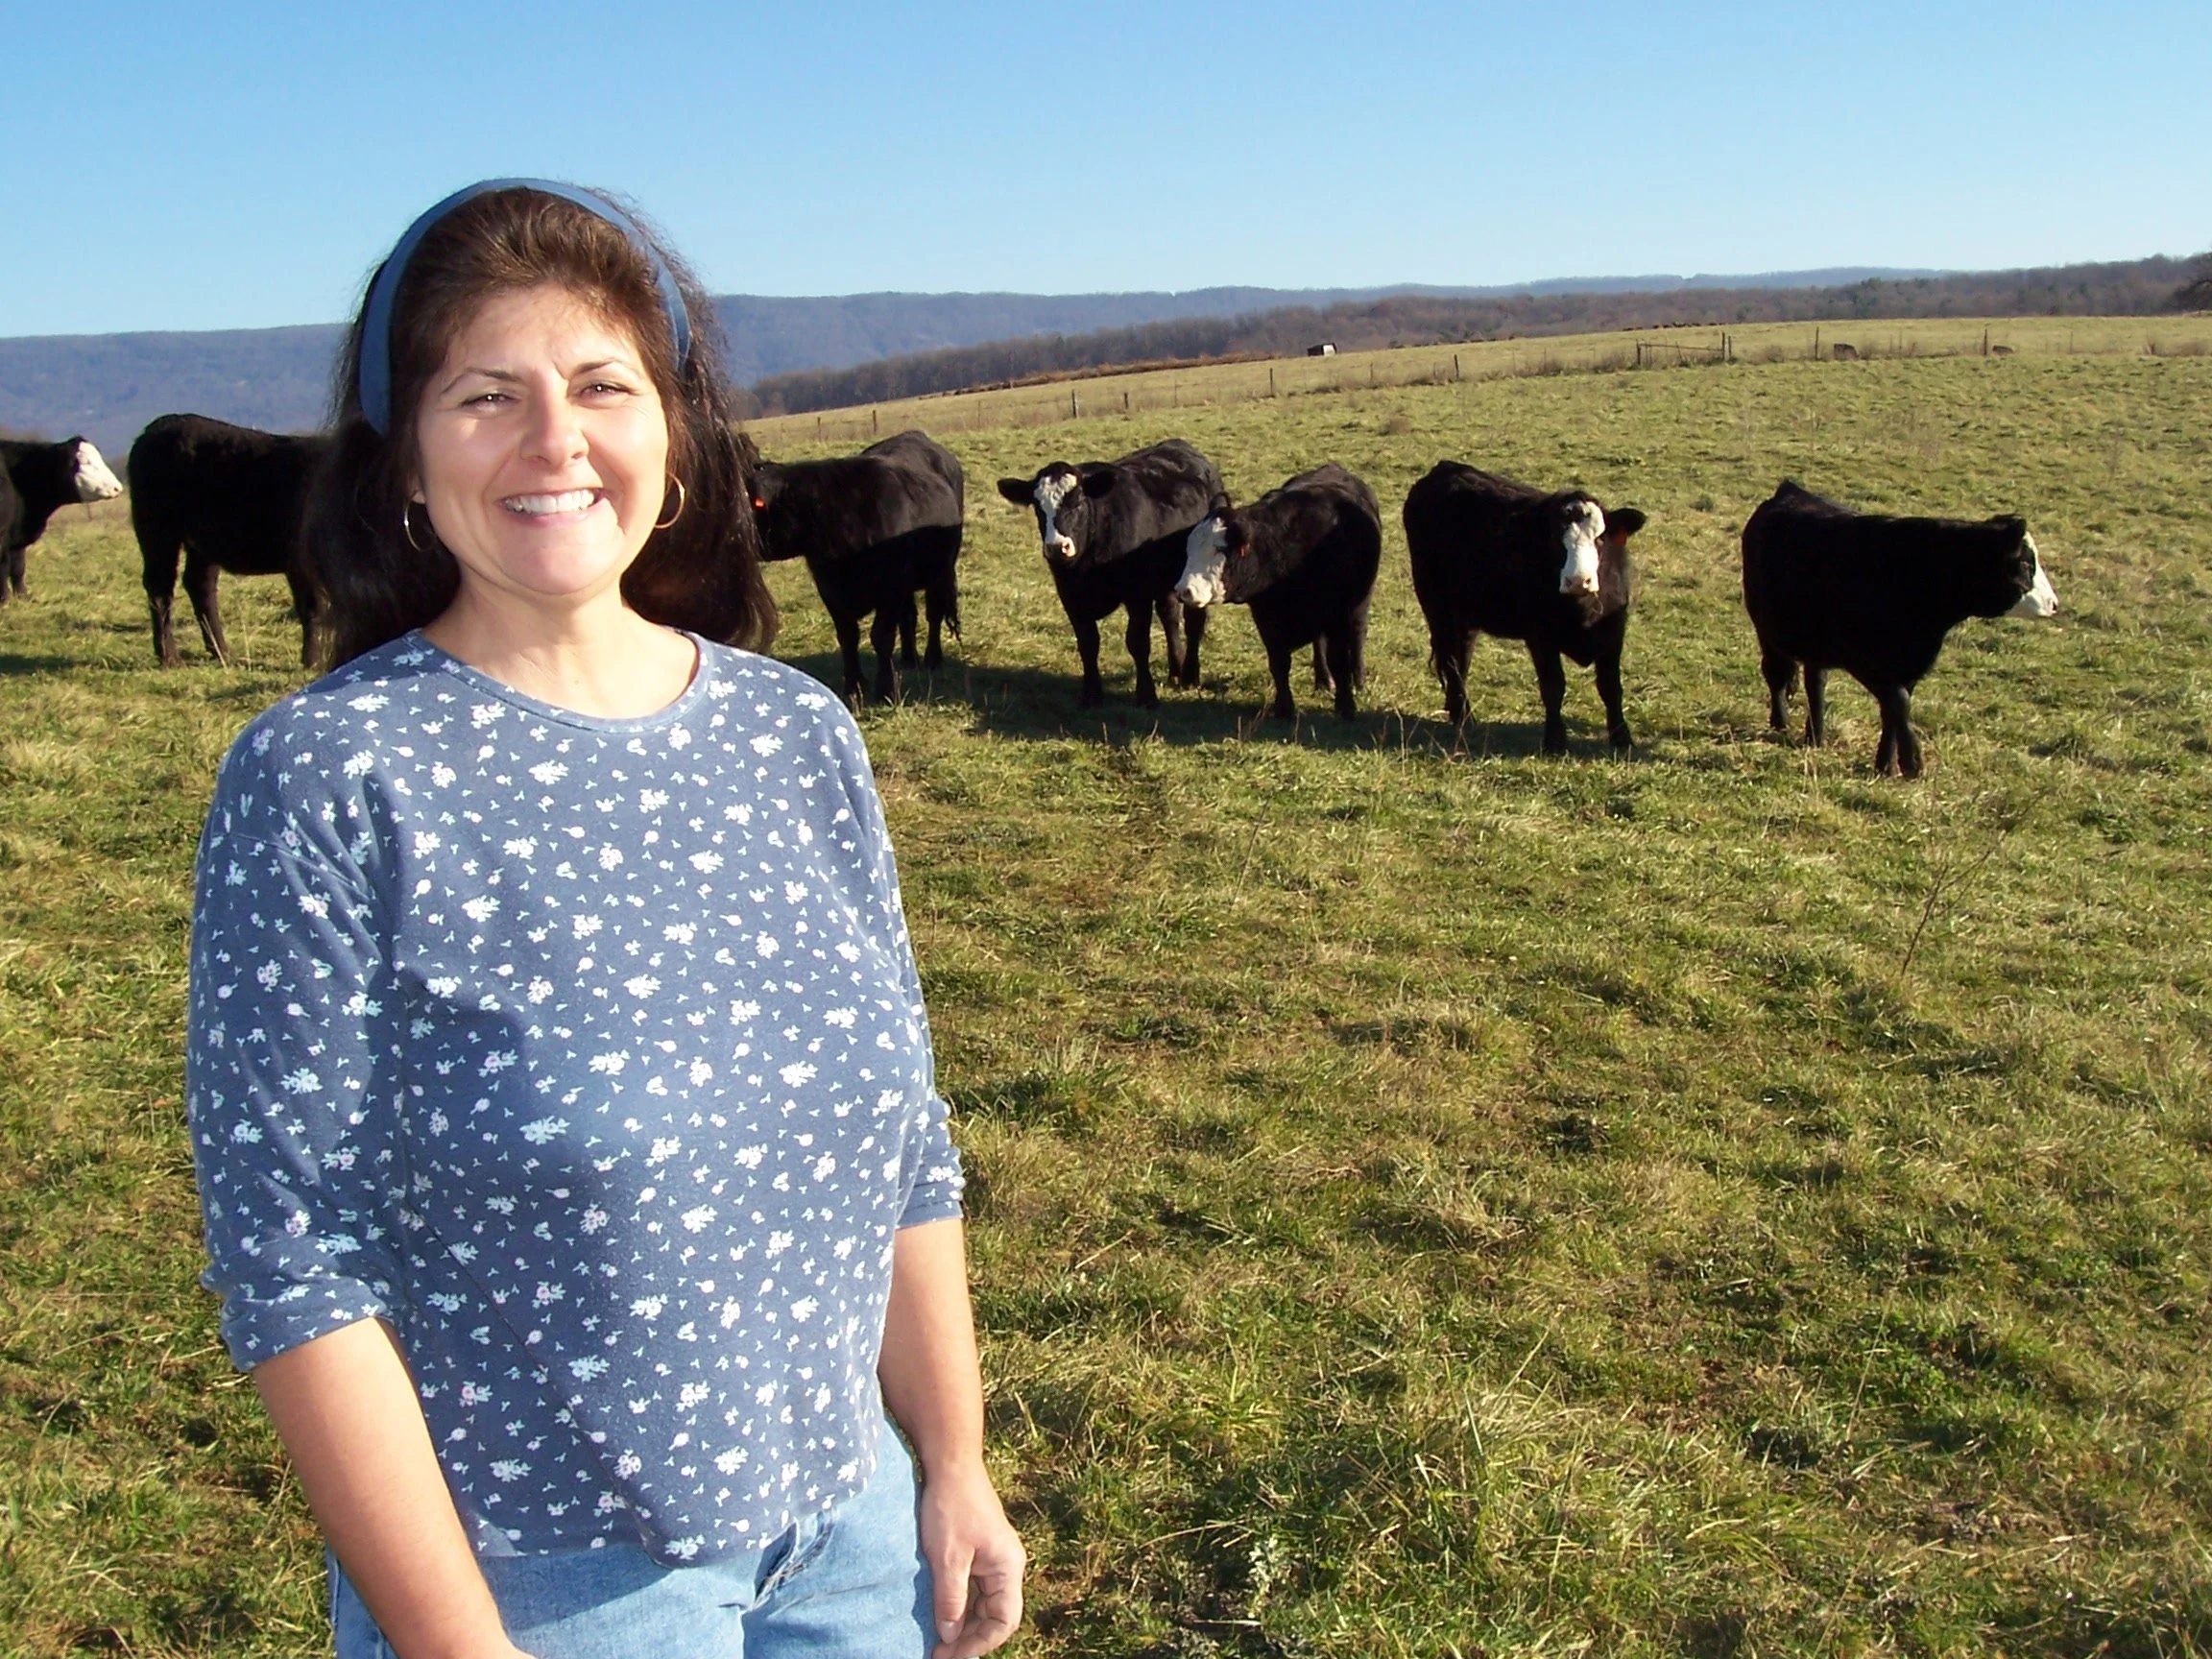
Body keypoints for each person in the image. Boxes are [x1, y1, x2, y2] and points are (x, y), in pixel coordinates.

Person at [183, 180, 1024, 1659]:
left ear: (675, 439)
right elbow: (296, 1260)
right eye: (484, 395)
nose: (554, 440)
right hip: (542, 1585)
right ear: (402, 461)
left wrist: (949, 1466)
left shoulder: (796, 733)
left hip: (851, 1543)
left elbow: (907, 1140)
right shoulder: (328, 780)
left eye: (600, 386)